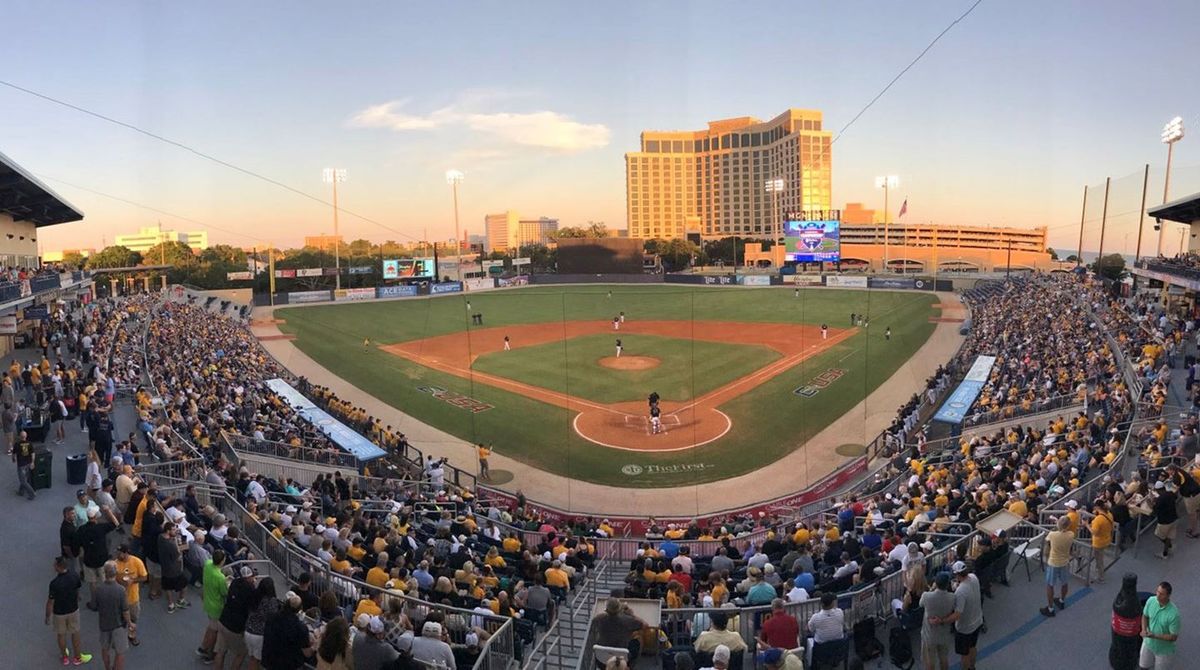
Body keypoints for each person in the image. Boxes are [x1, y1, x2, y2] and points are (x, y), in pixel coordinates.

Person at [934, 561, 982, 670]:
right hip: (978, 620)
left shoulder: (960, 592)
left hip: (965, 628)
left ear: (957, 574)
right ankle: (972, 667)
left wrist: (941, 620)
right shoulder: (973, 577)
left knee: (964, 654)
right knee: (973, 647)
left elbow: (957, 615)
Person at [46, 555, 92, 666]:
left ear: (58, 567)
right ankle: (78, 657)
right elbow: (77, 591)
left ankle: (65, 657)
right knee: (75, 633)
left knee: (61, 634)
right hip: (73, 610)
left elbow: (50, 602)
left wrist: (48, 616)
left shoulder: (54, 583)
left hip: (59, 613)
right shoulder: (74, 576)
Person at [214, 565, 256, 670]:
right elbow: (252, 607)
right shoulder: (250, 589)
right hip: (235, 628)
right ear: (249, 577)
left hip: (223, 620)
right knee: (241, 654)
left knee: (220, 652)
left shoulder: (234, 583)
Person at [261, 591, 313, 670]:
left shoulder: (272, 617)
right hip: (288, 664)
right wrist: (315, 646)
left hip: (270, 660)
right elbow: (307, 653)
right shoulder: (301, 628)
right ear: (299, 609)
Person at [95, 562, 131, 670]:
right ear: (116, 573)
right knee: (120, 652)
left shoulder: (99, 589)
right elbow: (125, 610)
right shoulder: (120, 590)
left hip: (104, 624)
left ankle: (107, 667)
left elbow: (96, 605)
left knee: (105, 649)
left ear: (105, 573)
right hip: (118, 625)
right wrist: (130, 623)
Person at [920, 572, 956, 670]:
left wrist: (931, 589)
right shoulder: (952, 597)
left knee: (930, 661)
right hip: (944, 632)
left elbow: (921, 604)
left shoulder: (926, 596)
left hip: (929, 634)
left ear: (936, 583)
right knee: (944, 659)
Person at [112, 544, 147, 648]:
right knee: (119, 620)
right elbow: (111, 580)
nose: (118, 555)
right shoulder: (115, 564)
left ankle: (132, 635)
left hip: (133, 598)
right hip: (119, 599)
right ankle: (119, 638)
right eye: (117, 552)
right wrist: (119, 580)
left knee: (133, 619)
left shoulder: (136, 562)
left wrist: (133, 580)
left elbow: (144, 577)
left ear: (126, 553)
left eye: (120, 553)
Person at [1140, 581, 1180, 670]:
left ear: (1168, 596)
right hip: (1148, 643)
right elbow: (1145, 616)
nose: (1158, 595)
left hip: (1164, 651)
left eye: (1161, 594)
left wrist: (1154, 636)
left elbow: (1173, 637)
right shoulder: (1151, 600)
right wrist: (1143, 629)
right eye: (1157, 591)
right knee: (1143, 667)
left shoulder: (1174, 614)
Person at [197, 550, 228, 662]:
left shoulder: (208, 565)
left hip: (207, 602)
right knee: (214, 631)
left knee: (211, 627)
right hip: (216, 607)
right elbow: (224, 592)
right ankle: (208, 652)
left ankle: (203, 646)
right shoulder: (220, 577)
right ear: (222, 561)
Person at [1041, 516, 1074, 617]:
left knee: (1050, 585)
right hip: (1064, 562)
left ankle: (1050, 609)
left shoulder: (1052, 535)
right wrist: (1059, 523)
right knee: (1064, 583)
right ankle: (1061, 600)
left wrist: (1057, 524)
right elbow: (1063, 529)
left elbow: (1048, 540)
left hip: (1053, 563)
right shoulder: (1071, 534)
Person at [245, 577, 281, 670]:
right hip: (259, 634)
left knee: (252, 658)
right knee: (255, 660)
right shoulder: (271, 601)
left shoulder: (254, 595)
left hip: (248, 630)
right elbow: (274, 617)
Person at [1109, 573, 1142, 670]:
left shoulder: (1122, 601)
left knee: (1121, 645)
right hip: (1127, 639)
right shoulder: (1134, 603)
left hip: (1120, 640)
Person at [805, 592, 845, 666]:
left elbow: (809, 630)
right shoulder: (840, 612)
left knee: (807, 637)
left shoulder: (815, 617)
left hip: (821, 649)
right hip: (839, 646)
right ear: (832, 603)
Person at [11, 429, 36, 500]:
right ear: (26, 436)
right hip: (28, 463)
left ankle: (32, 494)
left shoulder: (17, 444)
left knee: (23, 481)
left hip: (21, 465)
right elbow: (33, 453)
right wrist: (33, 462)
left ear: (20, 436)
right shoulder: (30, 443)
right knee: (25, 479)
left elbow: (14, 454)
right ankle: (21, 492)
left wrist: (13, 459)